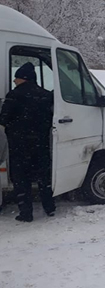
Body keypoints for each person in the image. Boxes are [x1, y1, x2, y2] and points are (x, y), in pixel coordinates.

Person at [0, 62, 55, 222]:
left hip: (20, 145)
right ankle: (49, 207)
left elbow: (3, 119)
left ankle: (26, 213)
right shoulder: (45, 95)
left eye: (16, 78)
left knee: (21, 179)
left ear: (24, 78)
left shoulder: (14, 95)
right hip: (41, 144)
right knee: (43, 177)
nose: (14, 81)